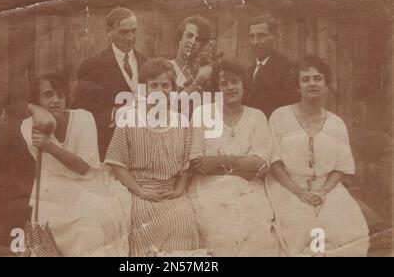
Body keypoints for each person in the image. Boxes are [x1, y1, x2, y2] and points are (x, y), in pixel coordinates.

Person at [265, 55, 369, 257]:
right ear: (298, 86)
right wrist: (299, 192)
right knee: (300, 228)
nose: (311, 83)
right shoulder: (280, 116)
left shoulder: (336, 123)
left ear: (326, 85)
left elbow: (341, 166)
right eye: (305, 79)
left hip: (326, 186)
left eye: (317, 78)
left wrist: (323, 191)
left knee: (348, 229)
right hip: (287, 185)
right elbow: (274, 163)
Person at [21, 73, 131, 257]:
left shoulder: (83, 118)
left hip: (86, 185)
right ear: (36, 100)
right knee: (50, 238)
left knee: (89, 231)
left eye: (60, 94)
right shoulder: (28, 125)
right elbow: (47, 122)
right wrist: (32, 107)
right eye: (48, 95)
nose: (56, 100)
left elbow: (84, 168)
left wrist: (50, 147)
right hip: (52, 190)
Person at [105, 58, 200, 257]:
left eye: (165, 85)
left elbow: (187, 165)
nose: (159, 90)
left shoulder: (182, 122)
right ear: (144, 89)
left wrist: (179, 190)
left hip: (171, 194)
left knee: (182, 221)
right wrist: (141, 191)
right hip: (139, 193)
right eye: (153, 85)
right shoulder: (129, 119)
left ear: (173, 91)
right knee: (142, 230)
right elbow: (117, 163)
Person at [188, 59, 279, 257]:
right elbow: (197, 164)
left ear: (243, 85)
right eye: (223, 83)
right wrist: (243, 164)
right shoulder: (203, 113)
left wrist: (218, 161)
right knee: (221, 236)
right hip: (208, 190)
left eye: (234, 81)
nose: (230, 87)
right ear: (216, 89)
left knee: (258, 237)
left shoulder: (257, 117)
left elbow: (261, 165)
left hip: (249, 190)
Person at [73, 7, 147, 161]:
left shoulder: (146, 62)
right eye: (124, 32)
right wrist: (114, 114)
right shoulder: (93, 64)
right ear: (109, 31)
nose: (130, 37)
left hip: (143, 147)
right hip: (108, 147)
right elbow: (80, 115)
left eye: (134, 31)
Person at [246, 14, 297, 118]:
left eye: (261, 36)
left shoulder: (286, 69)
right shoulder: (249, 71)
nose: (255, 42)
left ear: (275, 37)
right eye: (252, 36)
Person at [171, 16, 215, 93]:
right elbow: (170, 104)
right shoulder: (166, 68)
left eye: (198, 39)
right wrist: (200, 79)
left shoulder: (206, 70)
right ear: (179, 38)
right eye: (189, 36)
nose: (193, 41)